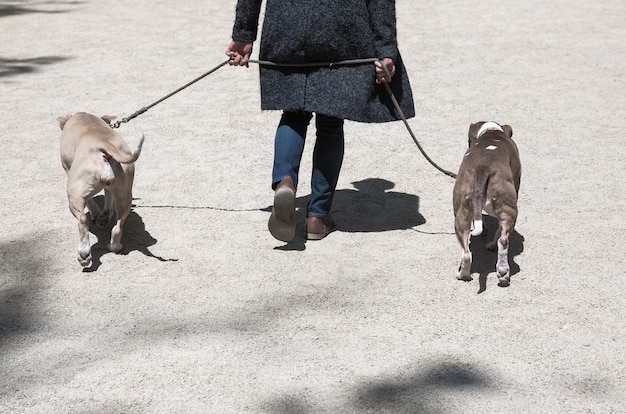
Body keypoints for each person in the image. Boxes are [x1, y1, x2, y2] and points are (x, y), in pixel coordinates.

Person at [226, 0, 415, 242]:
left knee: (293, 114)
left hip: (286, 25)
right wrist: (386, 49)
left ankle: (285, 181)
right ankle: (317, 217)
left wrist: (243, 33)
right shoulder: (405, 198)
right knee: (330, 123)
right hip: (341, 28)